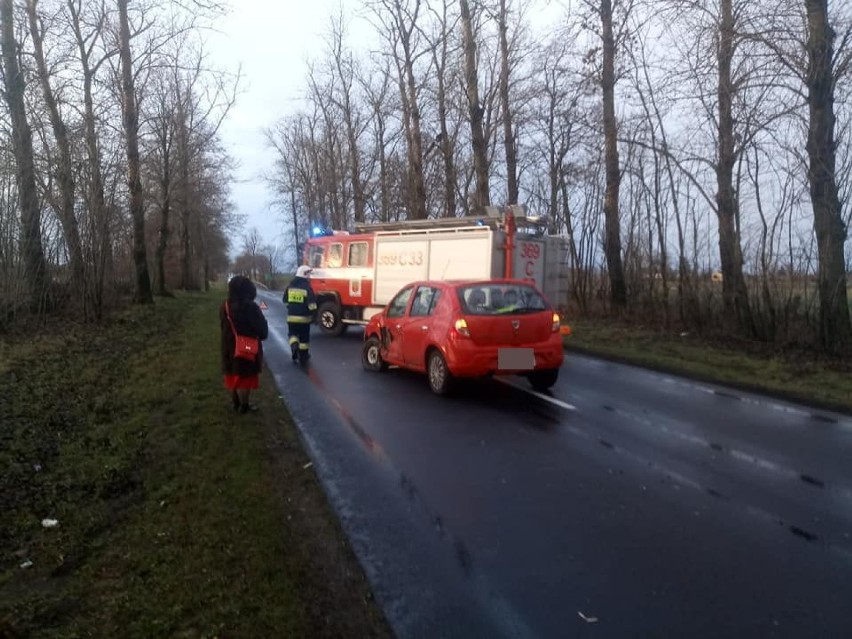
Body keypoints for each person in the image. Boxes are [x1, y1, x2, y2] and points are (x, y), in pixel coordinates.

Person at [220, 275, 268, 413]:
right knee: (245, 377)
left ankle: (235, 403)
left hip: (228, 347)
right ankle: (244, 406)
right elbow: (262, 331)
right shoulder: (250, 307)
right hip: (246, 347)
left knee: (233, 374)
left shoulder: (225, 306)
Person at [283, 265, 318, 363]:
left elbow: (285, 301)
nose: (309, 277)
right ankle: (303, 356)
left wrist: (291, 307)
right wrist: (314, 316)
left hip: (291, 318)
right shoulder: (307, 287)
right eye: (308, 274)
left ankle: (294, 346)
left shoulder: (290, 286)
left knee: (292, 334)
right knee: (304, 339)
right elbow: (312, 305)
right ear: (304, 274)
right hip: (304, 319)